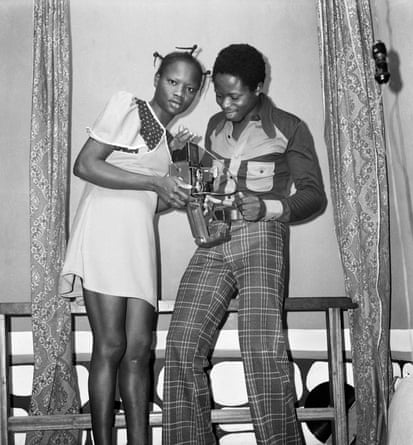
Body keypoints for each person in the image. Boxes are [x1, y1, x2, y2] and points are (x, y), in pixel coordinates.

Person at [162, 43, 327, 445]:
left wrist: (267, 208)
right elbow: (205, 186)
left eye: (234, 95)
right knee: (181, 345)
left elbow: (313, 195)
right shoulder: (215, 125)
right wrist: (181, 159)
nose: (224, 103)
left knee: (260, 348)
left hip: (262, 237)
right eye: (218, 94)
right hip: (214, 238)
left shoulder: (290, 126)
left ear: (258, 87)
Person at [59, 48, 206, 445]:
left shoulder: (169, 139)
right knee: (111, 344)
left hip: (137, 238)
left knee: (140, 348)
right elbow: (86, 165)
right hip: (105, 228)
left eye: (190, 88)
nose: (181, 92)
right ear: (157, 77)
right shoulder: (131, 107)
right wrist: (156, 183)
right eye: (173, 81)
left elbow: (149, 200)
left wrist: (172, 195)